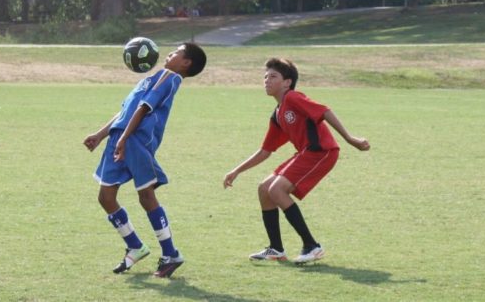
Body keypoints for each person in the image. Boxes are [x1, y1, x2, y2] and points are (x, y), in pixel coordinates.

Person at [223, 58, 370, 264]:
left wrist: (350, 138)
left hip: (322, 152)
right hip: (306, 153)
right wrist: (236, 171)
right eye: (265, 76)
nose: (266, 80)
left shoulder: (293, 97)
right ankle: (276, 249)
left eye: (273, 76)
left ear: (287, 82)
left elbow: (324, 110)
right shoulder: (277, 113)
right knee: (264, 189)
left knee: (276, 190)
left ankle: (312, 246)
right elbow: (266, 151)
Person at [84, 43, 207, 277]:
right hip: (120, 138)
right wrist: (101, 135)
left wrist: (125, 139)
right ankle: (135, 246)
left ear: (186, 63)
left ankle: (171, 254)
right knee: (106, 197)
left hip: (136, 141)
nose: (169, 54)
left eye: (176, 52)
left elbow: (143, 108)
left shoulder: (169, 77)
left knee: (146, 195)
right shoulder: (154, 77)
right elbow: (126, 111)